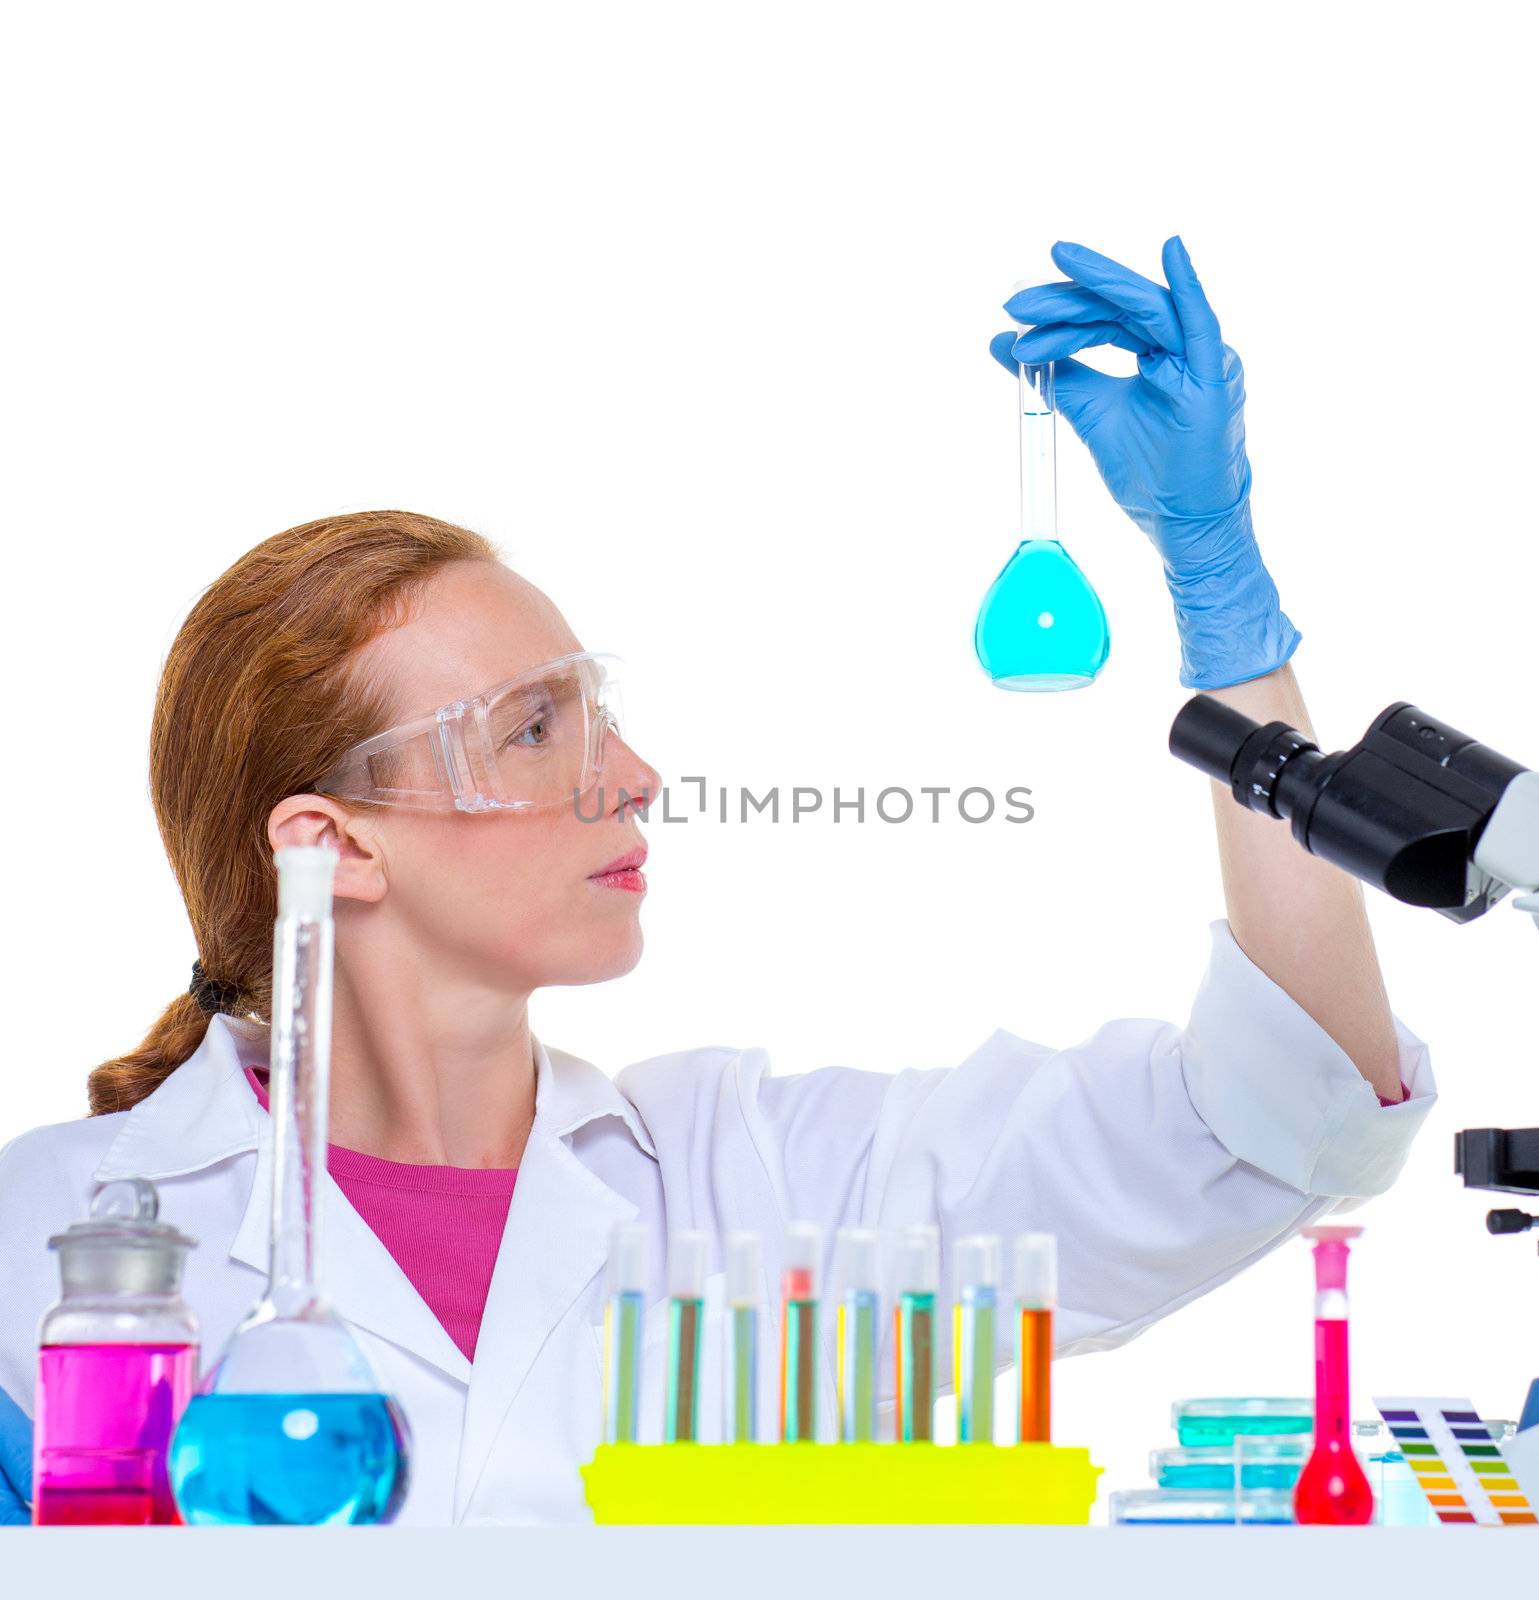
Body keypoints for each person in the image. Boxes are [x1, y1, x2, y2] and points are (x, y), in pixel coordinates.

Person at [0, 239, 1433, 1526]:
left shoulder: (754, 1185)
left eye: (597, 712)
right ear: (335, 846)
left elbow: (1280, 1112)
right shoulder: (43, 1240)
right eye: (533, 728)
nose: (635, 777)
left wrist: (1222, 604)